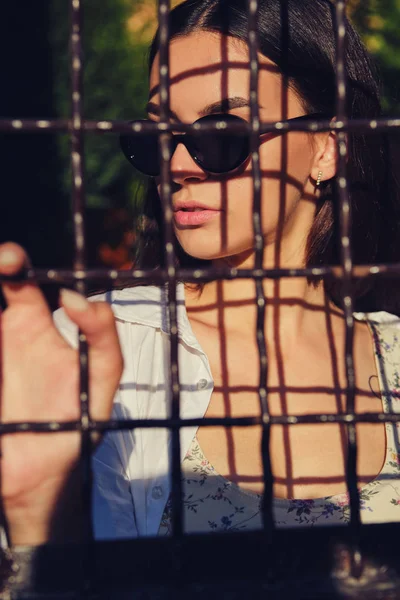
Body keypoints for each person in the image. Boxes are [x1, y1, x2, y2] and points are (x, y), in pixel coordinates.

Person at [1, 0, 400, 546]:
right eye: (158, 135)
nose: (178, 164)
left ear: (329, 146)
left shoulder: (394, 353)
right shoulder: (107, 350)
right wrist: (37, 514)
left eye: (222, 133)